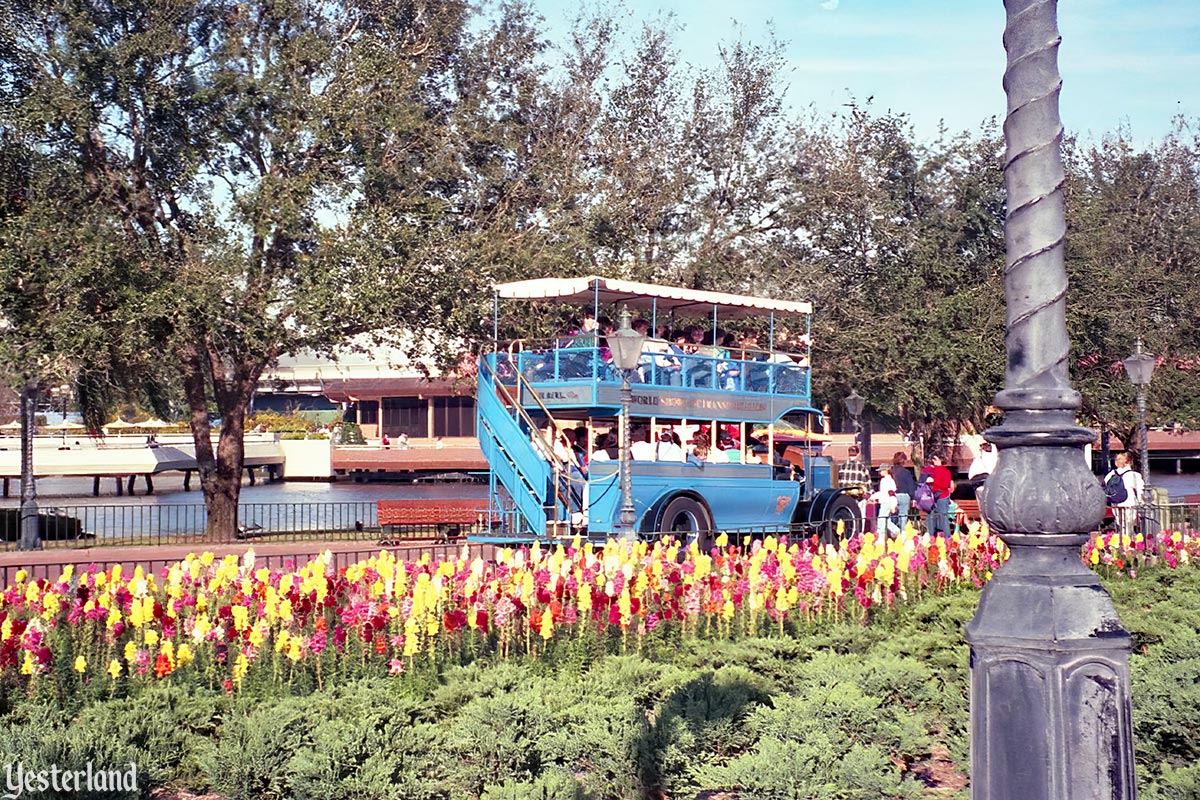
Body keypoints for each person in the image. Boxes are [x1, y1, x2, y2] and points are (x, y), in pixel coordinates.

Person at [1106, 451, 1145, 536]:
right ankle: (1128, 544)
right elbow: (1140, 491)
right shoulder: (1135, 475)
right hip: (1129, 504)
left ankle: (1120, 542)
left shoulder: (1111, 475)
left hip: (1115, 503)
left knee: (1120, 524)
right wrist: (1141, 503)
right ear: (1130, 462)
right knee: (1129, 526)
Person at [923, 454, 954, 537]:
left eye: (935, 459)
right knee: (930, 516)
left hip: (942, 496)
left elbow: (945, 484)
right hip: (931, 497)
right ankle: (931, 536)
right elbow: (922, 481)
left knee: (943, 516)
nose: (933, 461)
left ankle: (947, 537)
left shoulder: (944, 470)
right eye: (932, 459)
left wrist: (933, 482)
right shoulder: (928, 470)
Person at [838, 445, 871, 517]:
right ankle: (859, 528)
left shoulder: (841, 466)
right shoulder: (862, 467)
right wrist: (868, 493)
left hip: (845, 496)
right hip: (858, 497)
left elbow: (838, 482)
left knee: (847, 515)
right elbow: (868, 483)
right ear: (858, 454)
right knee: (860, 516)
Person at [890, 451, 917, 533]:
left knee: (892, 516)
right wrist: (913, 498)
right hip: (904, 496)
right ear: (904, 460)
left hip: (893, 496)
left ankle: (893, 533)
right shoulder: (906, 472)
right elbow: (910, 487)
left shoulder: (890, 472)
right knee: (903, 516)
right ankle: (902, 534)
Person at [870, 464, 900, 538]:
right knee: (886, 520)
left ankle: (882, 535)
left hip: (887, 502)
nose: (880, 472)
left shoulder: (888, 480)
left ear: (886, 471)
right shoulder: (885, 480)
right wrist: (873, 497)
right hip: (884, 501)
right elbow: (882, 493)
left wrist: (893, 505)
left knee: (881, 519)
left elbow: (892, 494)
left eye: (881, 471)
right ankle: (896, 531)